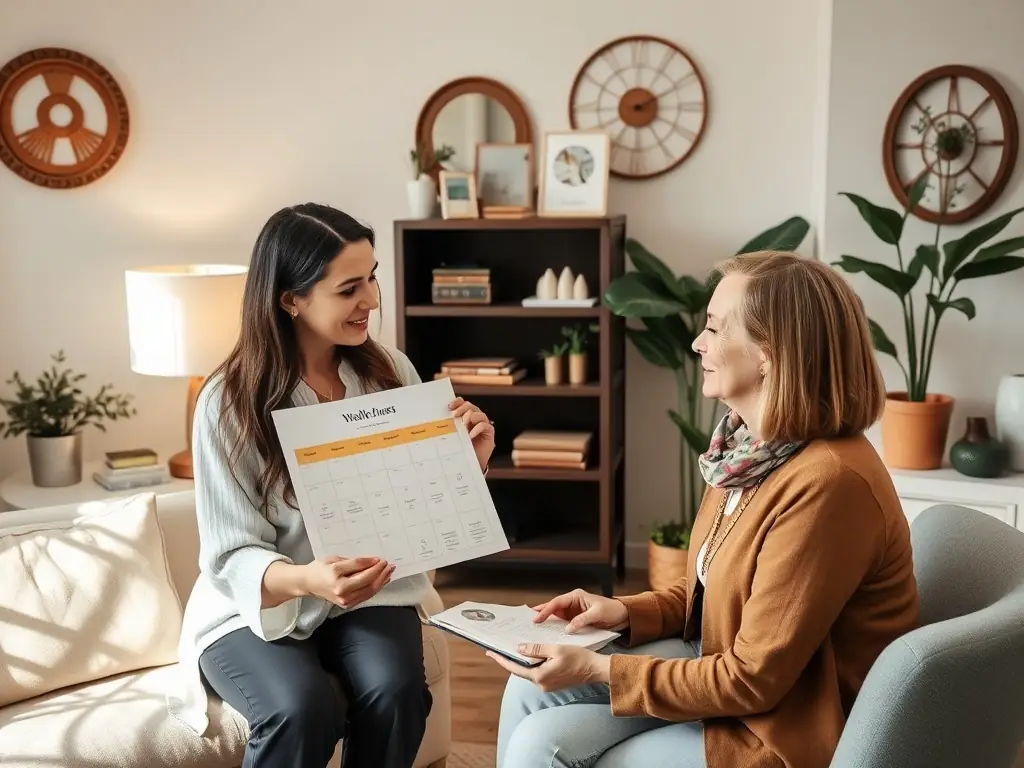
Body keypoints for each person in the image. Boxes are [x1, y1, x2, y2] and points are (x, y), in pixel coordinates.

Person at [491, 251, 919, 768]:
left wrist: (597, 669)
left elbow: (753, 679)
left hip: (783, 725)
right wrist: (624, 611)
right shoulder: (748, 450)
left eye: (714, 328)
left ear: (768, 353)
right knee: (527, 689)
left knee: (541, 745)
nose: (698, 342)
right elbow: (712, 588)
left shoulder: (829, 484)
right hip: (720, 665)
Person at [166, 203, 495, 768]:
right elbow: (228, 554)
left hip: (372, 589)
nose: (371, 300)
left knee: (395, 692)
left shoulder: (390, 372)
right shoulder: (226, 402)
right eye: (349, 289)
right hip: (259, 603)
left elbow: (416, 499)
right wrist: (307, 579)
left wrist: (467, 463)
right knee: (300, 707)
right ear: (290, 299)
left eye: (372, 278)